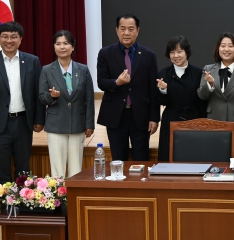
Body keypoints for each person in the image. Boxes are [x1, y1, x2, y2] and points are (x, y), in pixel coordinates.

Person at [0, 21, 45, 185]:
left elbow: (38, 92)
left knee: (23, 168)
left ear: (20, 39)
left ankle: (23, 199)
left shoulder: (32, 61)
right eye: (5, 36)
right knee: (1, 167)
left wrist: (39, 119)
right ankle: (5, 201)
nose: (9, 40)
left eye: (13, 37)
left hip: (23, 122)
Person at [97, 14, 159, 162]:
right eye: (123, 29)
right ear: (117, 30)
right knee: (118, 159)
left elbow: (153, 89)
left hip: (141, 116)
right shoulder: (105, 53)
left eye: (131, 29)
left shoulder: (149, 55)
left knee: (141, 159)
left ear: (138, 31)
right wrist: (117, 82)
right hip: (116, 115)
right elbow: (101, 82)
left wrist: (154, 118)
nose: (126, 33)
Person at [38, 30, 95, 178]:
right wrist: (52, 96)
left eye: (66, 43)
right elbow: (42, 97)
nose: (62, 47)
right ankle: (58, 194)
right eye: (58, 44)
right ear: (54, 47)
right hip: (56, 125)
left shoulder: (83, 69)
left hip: (78, 124)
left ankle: (74, 193)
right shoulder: (46, 70)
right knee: (57, 170)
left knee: (76, 168)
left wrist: (89, 124)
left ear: (73, 46)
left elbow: (89, 98)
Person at [197, 32, 234, 154]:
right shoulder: (208, 69)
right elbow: (202, 95)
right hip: (213, 125)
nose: (226, 49)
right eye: (223, 46)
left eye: (230, 46)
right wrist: (210, 84)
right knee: (215, 161)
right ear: (218, 49)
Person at [155, 36, 207, 161]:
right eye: (172, 52)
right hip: (171, 119)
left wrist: (204, 123)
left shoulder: (198, 73)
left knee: (193, 156)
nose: (176, 56)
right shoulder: (163, 73)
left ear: (187, 52)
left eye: (179, 51)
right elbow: (160, 101)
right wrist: (163, 90)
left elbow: (202, 101)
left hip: (194, 119)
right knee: (169, 155)